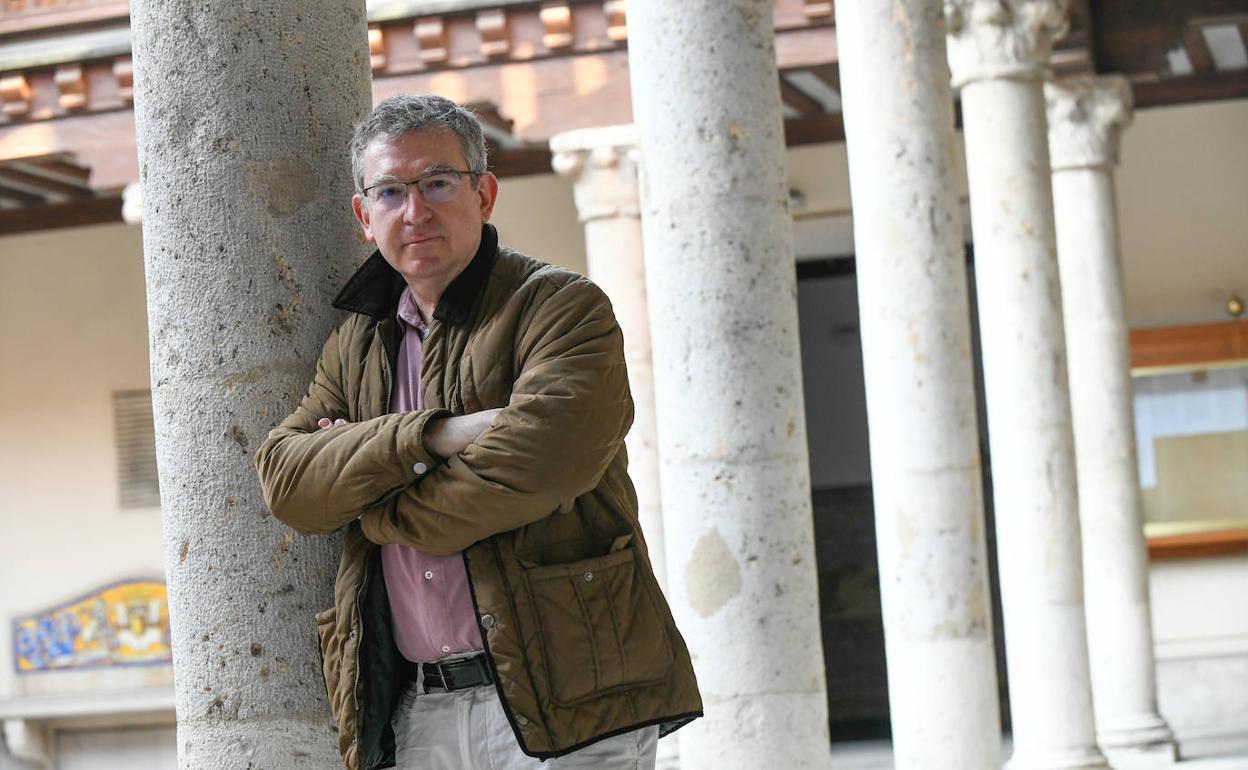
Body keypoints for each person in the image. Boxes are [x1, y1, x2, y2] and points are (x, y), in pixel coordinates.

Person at [254, 94, 701, 770]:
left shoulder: (562, 309)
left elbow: (539, 468)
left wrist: (371, 499)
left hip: (574, 700)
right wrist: (433, 438)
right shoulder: (356, 344)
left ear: (484, 193)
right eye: (391, 191)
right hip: (418, 710)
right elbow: (289, 484)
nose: (416, 210)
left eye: (438, 183)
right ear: (362, 215)